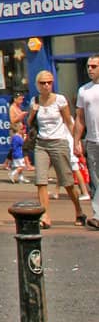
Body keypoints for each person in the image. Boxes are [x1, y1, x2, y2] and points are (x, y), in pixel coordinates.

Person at [28, 72, 89, 229]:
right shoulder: (34, 101)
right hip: (41, 144)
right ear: (37, 85)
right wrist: (33, 111)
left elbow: (69, 122)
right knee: (41, 181)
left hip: (59, 143)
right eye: (43, 83)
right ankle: (45, 216)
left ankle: (79, 211)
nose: (46, 85)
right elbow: (29, 122)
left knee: (67, 182)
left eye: (49, 82)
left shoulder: (60, 100)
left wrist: (76, 142)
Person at [74, 55, 99, 230]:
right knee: (96, 180)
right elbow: (80, 118)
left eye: (94, 66)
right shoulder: (84, 90)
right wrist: (76, 140)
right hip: (92, 141)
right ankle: (98, 216)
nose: (90, 69)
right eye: (88, 66)